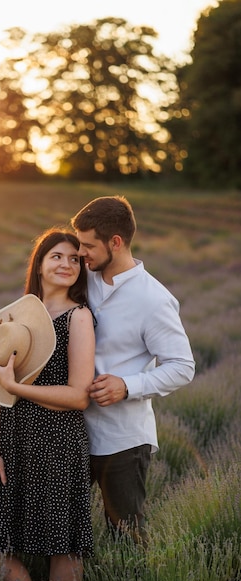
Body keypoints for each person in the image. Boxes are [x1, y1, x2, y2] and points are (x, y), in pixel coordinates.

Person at [0, 228, 96, 581]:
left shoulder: (79, 317)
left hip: (58, 441)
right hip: (11, 440)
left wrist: (15, 387)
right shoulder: (16, 319)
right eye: (57, 256)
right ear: (40, 264)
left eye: (75, 259)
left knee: (63, 543)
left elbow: (79, 395)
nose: (66, 264)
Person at [70, 195, 196, 546]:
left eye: (88, 245)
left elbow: (183, 366)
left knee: (125, 538)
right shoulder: (82, 279)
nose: (81, 253)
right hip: (72, 429)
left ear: (116, 242)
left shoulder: (153, 300)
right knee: (62, 527)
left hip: (123, 439)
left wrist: (127, 385)